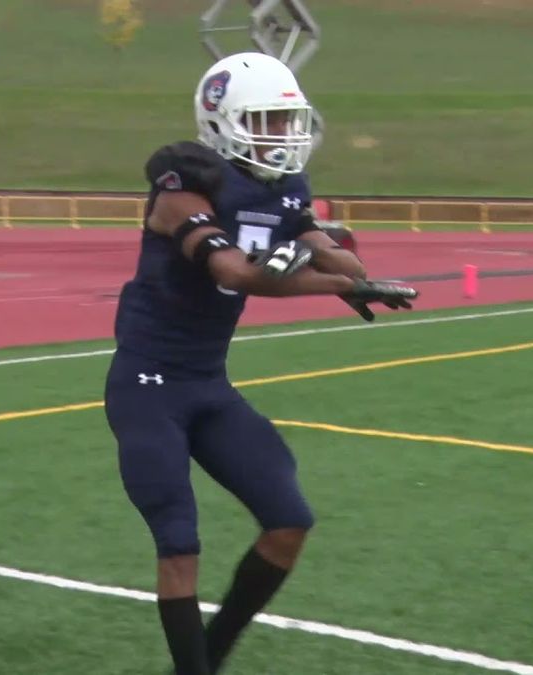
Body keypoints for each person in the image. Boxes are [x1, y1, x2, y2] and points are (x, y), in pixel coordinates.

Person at [103, 52, 417, 674]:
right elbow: (233, 271)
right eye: (268, 120)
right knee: (179, 542)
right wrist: (332, 282)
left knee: (288, 520)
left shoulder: (286, 190)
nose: (282, 134)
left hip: (208, 383)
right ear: (222, 120)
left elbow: (336, 257)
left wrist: (345, 263)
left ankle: (208, 660)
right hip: (148, 384)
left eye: (287, 119)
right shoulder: (183, 185)